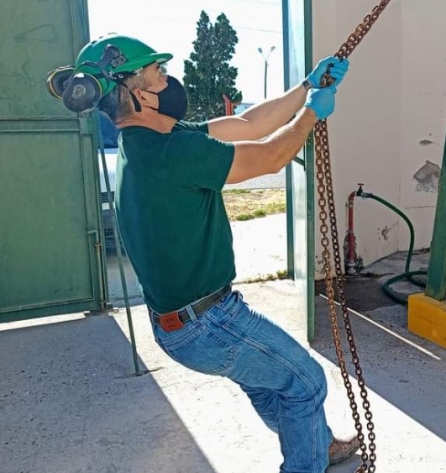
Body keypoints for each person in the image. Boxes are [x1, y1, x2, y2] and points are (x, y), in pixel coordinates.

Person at [72, 34, 358, 473]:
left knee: (271, 386)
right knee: (305, 381)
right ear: (136, 91)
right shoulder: (172, 152)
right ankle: (307, 462)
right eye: (159, 73)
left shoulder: (150, 140)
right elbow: (269, 156)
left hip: (189, 322)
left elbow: (248, 126)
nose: (170, 80)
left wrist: (305, 87)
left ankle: (315, 444)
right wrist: (311, 114)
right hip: (209, 324)